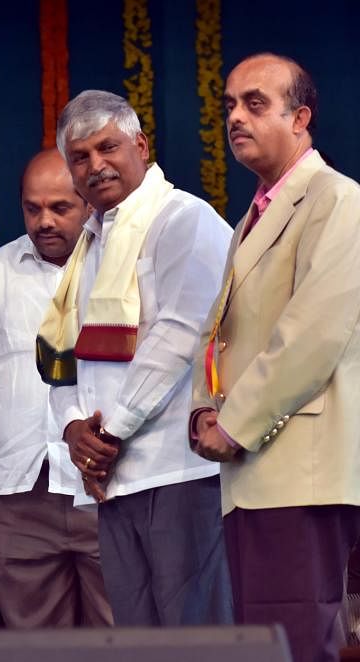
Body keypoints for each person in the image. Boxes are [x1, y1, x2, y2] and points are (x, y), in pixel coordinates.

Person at [38, 90, 233, 626]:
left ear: (140, 146)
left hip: (177, 468)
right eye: (80, 157)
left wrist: (109, 434)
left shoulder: (184, 220)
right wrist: (74, 426)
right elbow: (64, 350)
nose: (95, 165)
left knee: (195, 634)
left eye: (108, 147)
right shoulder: (91, 242)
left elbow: (178, 336)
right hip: (112, 477)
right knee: (135, 636)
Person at [190, 53, 360, 662]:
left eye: (255, 103)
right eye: (229, 105)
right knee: (266, 644)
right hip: (253, 472)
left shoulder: (338, 201)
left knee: (296, 645)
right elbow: (219, 336)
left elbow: (313, 334)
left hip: (298, 469)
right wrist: (202, 411)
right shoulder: (254, 214)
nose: (236, 116)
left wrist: (232, 424)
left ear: (300, 117)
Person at [0, 148, 111, 628]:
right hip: (18, 491)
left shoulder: (121, 269)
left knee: (123, 642)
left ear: (89, 204)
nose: (44, 221)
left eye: (60, 207)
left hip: (106, 490)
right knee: (30, 650)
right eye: (32, 207)